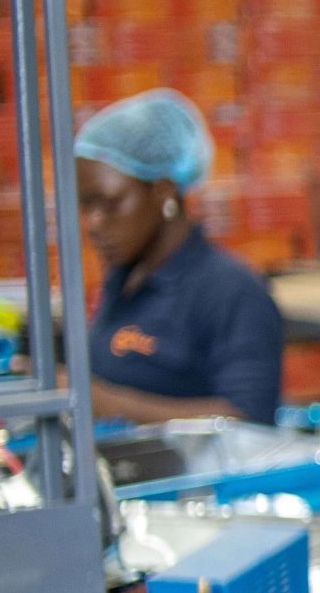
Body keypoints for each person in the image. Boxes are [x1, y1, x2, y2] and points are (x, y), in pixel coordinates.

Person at [75, 89, 284, 425]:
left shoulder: (231, 293)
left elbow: (248, 421)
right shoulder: (124, 279)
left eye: (110, 204)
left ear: (164, 192)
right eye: (86, 205)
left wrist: (103, 404)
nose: (94, 223)